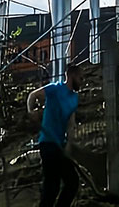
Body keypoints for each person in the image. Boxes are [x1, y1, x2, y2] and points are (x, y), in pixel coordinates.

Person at [26, 63, 81, 207]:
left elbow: (71, 123)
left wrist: (69, 144)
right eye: (80, 77)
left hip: (60, 145)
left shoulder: (74, 98)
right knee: (52, 186)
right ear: (71, 76)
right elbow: (33, 95)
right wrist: (31, 111)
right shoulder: (55, 89)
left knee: (72, 182)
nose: (82, 81)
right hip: (47, 143)